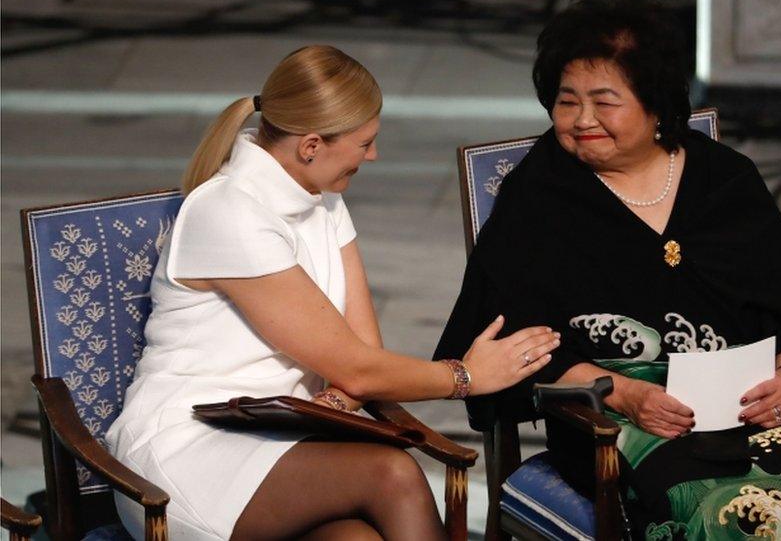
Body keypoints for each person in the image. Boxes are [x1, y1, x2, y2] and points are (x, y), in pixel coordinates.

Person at [435, 0, 781, 540]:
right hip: (612, 419)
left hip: (753, 409)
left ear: (656, 105)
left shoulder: (726, 180)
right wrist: (622, 393)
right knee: (739, 517)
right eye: (567, 102)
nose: (582, 120)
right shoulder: (538, 196)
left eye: (604, 102)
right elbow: (508, 336)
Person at [105, 45, 560, 541]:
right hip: (187, 451)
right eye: (365, 143)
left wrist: (339, 400)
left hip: (283, 437)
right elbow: (359, 368)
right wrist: (467, 376)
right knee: (392, 473)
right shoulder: (230, 213)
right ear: (312, 145)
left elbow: (362, 357)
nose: (373, 155)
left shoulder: (325, 201)